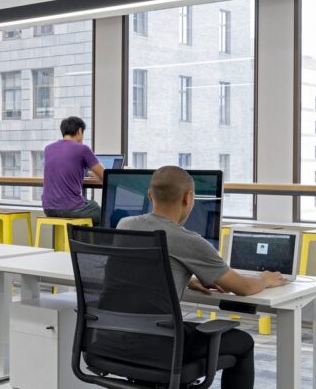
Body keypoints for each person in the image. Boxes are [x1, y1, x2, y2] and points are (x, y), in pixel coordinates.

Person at [114, 166, 287, 389]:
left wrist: (183, 278)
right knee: (244, 342)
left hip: (116, 339)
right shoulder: (189, 240)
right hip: (160, 347)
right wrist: (265, 279)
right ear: (189, 198)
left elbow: (135, 276)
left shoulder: (125, 225)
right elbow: (244, 288)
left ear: (150, 195)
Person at [41, 116, 103, 225]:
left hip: (48, 208)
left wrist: (87, 173)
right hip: (70, 208)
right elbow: (104, 175)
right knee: (100, 212)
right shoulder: (82, 149)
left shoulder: (48, 148)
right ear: (79, 131)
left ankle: (74, 241)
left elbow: (64, 168)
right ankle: (92, 242)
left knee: (83, 206)